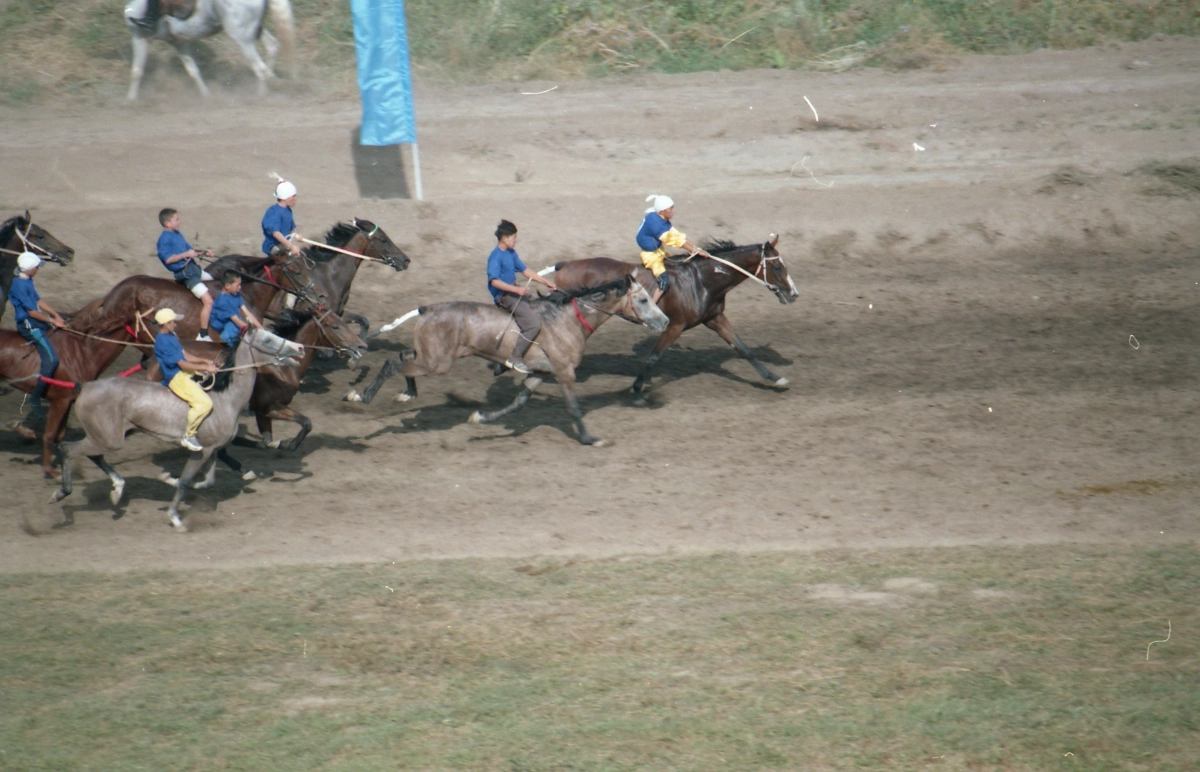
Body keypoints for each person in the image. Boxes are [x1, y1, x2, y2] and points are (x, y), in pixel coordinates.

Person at [486, 220, 556, 374]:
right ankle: (514, 358)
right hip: (505, 295)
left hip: (514, 290)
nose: (516, 240)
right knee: (533, 324)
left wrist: (546, 282)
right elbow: (494, 281)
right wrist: (516, 291)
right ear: (504, 238)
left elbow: (526, 271)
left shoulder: (511, 253)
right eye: (513, 237)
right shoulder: (495, 257)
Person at [9, 252, 66, 422]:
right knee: (52, 359)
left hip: (35, 320)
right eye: (36, 267)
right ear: (30, 269)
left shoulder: (27, 280)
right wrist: (51, 320)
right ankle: (35, 398)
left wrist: (56, 316)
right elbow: (32, 311)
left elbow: (39, 302)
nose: (38, 270)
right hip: (28, 324)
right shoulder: (18, 285)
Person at [153, 308, 218, 452]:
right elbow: (181, 363)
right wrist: (204, 368)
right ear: (165, 324)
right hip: (176, 377)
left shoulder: (171, 335)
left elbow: (185, 355)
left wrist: (205, 361)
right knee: (204, 403)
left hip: (185, 371)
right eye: (173, 322)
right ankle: (189, 435)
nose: (175, 324)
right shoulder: (163, 342)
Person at [635, 194, 712, 304]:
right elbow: (675, 241)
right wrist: (695, 251)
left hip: (659, 251)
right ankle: (650, 307)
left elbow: (678, 236)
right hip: (651, 256)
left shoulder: (661, 218)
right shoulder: (656, 224)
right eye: (671, 208)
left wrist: (696, 249)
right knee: (664, 281)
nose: (673, 211)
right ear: (662, 211)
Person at [156, 208, 215, 340]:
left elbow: (191, 250)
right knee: (209, 301)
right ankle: (203, 334)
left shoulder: (177, 234)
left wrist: (204, 252)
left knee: (215, 284)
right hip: (186, 275)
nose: (179, 222)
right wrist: (186, 254)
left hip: (195, 270)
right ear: (167, 223)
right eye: (176, 219)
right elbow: (168, 259)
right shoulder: (164, 239)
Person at [208, 273, 263, 347]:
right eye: (238, 285)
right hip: (221, 322)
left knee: (239, 324)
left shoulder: (236, 295)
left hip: (233, 318)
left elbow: (247, 312)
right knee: (234, 327)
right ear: (227, 286)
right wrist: (253, 332)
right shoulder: (222, 302)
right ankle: (228, 343)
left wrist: (261, 329)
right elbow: (237, 321)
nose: (240, 287)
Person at [262, 179, 302, 258]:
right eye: (293, 196)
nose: (295, 198)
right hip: (273, 246)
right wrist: (291, 246)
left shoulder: (288, 210)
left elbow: (292, 226)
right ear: (285, 197)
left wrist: (297, 234)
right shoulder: (273, 212)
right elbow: (276, 233)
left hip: (285, 244)